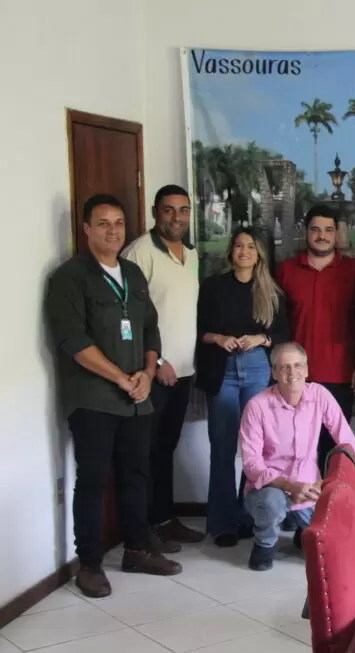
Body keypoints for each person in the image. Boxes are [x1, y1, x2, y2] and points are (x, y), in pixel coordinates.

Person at [45, 194, 182, 598]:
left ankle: (137, 549)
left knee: (137, 473)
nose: (113, 230)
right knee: (92, 480)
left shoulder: (133, 274)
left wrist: (148, 373)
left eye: (119, 222)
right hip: (93, 399)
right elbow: (73, 341)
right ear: (86, 228)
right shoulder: (69, 277)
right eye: (103, 223)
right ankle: (89, 564)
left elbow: (151, 329)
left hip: (138, 397)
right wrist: (123, 378)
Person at [121, 184, 204, 551]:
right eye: (169, 210)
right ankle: (144, 531)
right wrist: (156, 361)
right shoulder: (139, 253)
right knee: (144, 452)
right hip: (154, 372)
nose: (177, 217)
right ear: (156, 212)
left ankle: (165, 519)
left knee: (165, 449)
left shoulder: (191, 254)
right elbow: (129, 316)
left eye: (183, 210)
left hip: (183, 372)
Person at [196, 227, 290, 547]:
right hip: (222, 369)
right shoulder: (213, 287)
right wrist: (219, 338)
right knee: (223, 448)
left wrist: (261, 338)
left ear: (259, 253)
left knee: (255, 449)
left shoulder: (271, 291)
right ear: (231, 251)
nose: (244, 251)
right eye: (239, 245)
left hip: (257, 368)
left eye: (251, 246)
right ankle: (223, 523)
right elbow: (201, 331)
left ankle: (248, 515)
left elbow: (283, 333)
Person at [239, 342, 355, 571]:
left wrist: (326, 483)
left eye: (297, 366)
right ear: (274, 373)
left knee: (334, 550)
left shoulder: (320, 395)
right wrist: (289, 485)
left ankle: (302, 532)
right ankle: (265, 544)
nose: (292, 372)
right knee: (271, 503)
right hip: (269, 487)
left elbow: (348, 443)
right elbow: (252, 465)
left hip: (309, 487)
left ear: (306, 370)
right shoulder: (257, 406)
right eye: (284, 367)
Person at [277, 205, 355, 472]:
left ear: (336, 234)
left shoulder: (354, 272)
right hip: (296, 375)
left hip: (340, 374)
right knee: (297, 450)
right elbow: (276, 323)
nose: (322, 236)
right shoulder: (285, 271)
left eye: (328, 230)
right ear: (306, 232)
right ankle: (301, 500)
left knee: (333, 451)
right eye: (316, 230)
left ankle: (330, 499)